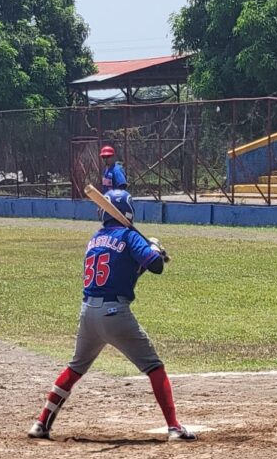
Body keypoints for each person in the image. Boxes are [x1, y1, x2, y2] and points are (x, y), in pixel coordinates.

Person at [28, 189, 196, 442]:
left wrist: (149, 256)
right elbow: (157, 267)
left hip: (88, 314)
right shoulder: (129, 235)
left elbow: (126, 272)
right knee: (154, 367)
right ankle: (174, 427)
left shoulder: (95, 238)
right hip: (115, 313)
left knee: (75, 368)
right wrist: (154, 249)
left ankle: (41, 424)